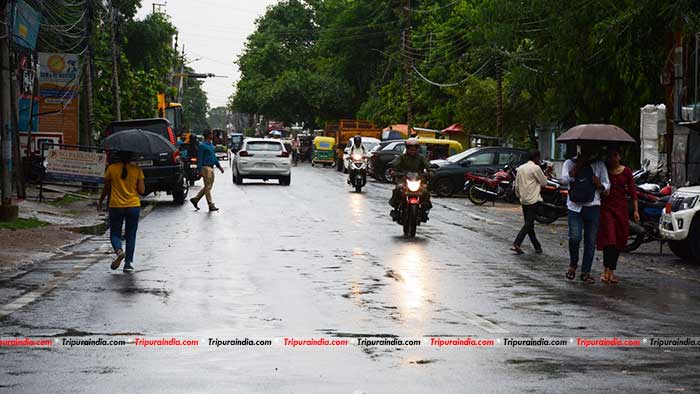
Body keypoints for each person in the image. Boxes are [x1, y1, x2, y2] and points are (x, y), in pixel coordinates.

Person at [561, 144, 610, 283]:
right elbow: (564, 180)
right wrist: (576, 168)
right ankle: (573, 264)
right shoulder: (570, 163)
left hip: (593, 206)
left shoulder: (599, 165)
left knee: (590, 241)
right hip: (574, 207)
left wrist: (599, 184)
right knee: (575, 237)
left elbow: (607, 186)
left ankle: (586, 272)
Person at [98, 151, 145, 273]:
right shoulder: (137, 170)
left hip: (116, 206)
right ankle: (128, 264)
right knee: (131, 235)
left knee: (115, 233)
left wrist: (100, 201)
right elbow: (142, 190)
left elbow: (106, 188)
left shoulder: (111, 169)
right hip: (133, 206)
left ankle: (119, 251)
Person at [597, 148, 638, 284]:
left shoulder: (626, 172)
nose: (613, 158)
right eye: (611, 155)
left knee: (618, 241)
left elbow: (633, 192)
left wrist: (636, 211)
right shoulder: (603, 170)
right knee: (609, 239)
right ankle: (604, 271)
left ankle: (611, 272)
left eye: (615, 155)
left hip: (621, 209)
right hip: (606, 208)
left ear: (620, 156)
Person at [512, 150, 548, 255]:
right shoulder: (536, 168)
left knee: (529, 223)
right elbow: (544, 182)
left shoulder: (521, 168)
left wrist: (519, 195)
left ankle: (537, 247)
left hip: (524, 199)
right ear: (536, 158)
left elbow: (517, 184)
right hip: (533, 199)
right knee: (528, 224)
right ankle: (517, 242)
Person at [389, 138, 432, 221]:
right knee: (398, 189)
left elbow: (427, 164)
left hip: (418, 180)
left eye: (414, 148)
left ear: (417, 148)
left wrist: (430, 171)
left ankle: (424, 211)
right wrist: (393, 170)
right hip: (404, 179)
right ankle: (396, 210)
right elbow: (395, 164)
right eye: (410, 148)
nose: (412, 150)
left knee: (425, 192)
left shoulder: (421, 158)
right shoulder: (402, 157)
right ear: (407, 148)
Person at [190, 130, 224, 212]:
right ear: (208, 135)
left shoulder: (211, 145)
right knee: (208, 187)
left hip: (211, 167)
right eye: (211, 134)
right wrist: (200, 169)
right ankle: (210, 204)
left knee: (208, 186)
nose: (213, 135)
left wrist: (219, 167)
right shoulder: (202, 146)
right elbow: (200, 158)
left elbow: (214, 157)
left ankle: (195, 199)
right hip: (205, 167)